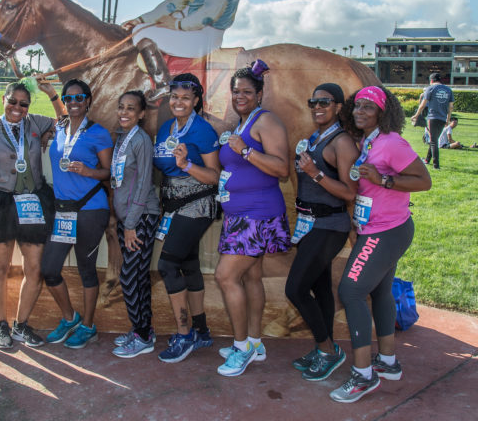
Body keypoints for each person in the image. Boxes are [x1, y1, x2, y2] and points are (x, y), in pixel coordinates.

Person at [330, 85, 431, 403]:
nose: (360, 111)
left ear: (382, 113)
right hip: (377, 229)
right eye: (357, 106)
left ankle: (362, 376)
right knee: (379, 291)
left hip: (387, 232)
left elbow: (424, 180)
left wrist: (384, 180)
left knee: (351, 291)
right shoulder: (365, 141)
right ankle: (387, 362)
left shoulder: (391, 143)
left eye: (368, 108)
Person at [0, 78, 65, 350]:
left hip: (32, 201)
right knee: (0, 268)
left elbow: (64, 121)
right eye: (12, 101)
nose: (17, 107)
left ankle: (21, 324)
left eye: (23, 104)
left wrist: (52, 95)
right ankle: (1, 325)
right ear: (3, 99)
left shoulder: (36, 123)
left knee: (34, 268)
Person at [215, 60, 291, 377]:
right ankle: (255, 342)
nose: (240, 96)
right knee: (251, 277)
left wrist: (245, 151)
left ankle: (242, 347)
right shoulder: (244, 122)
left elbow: (282, 170)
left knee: (225, 276)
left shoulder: (266, 121)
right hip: (239, 215)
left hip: (257, 215)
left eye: (247, 91)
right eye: (236, 91)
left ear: (260, 94)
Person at [285, 83, 359, 381]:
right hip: (309, 224)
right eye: (313, 101)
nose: (317, 106)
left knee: (296, 289)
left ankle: (327, 350)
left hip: (329, 225)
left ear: (339, 107)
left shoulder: (342, 143)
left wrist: (315, 173)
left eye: (325, 102)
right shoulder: (315, 138)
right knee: (320, 288)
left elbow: (350, 192)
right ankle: (325, 347)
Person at [152, 73, 220, 363]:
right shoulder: (167, 127)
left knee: (168, 266)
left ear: (195, 101)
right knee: (189, 265)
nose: (179, 102)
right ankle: (201, 330)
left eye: (185, 97)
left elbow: (215, 177)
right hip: (172, 202)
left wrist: (187, 164)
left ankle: (184, 335)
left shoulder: (203, 131)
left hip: (196, 203)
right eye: (174, 96)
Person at [41, 79, 113, 349]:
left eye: (79, 98)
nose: (73, 103)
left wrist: (89, 171)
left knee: (86, 269)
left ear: (88, 101)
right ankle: (70, 317)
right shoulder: (59, 128)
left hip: (91, 208)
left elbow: (109, 173)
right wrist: (50, 95)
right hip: (64, 211)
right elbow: (60, 114)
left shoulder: (99, 133)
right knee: (49, 269)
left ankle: (88, 326)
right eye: (68, 98)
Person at [110, 90, 162, 358]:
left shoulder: (141, 140)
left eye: (131, 109)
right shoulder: (121, 138)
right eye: (121, 107)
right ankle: (143, 330)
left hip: (140, 217)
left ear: (142, 114)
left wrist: (130, 224)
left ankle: (142, 336)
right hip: (127, 218)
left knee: (129, 279)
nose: (124, 112)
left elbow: (143, 184)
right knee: (138, 278)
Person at [411, 73, 454, 169]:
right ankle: (427, 160)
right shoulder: (448, 90)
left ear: (431, 81)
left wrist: (416, 115)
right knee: (433, 139)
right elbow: (450, 107)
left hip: (432, 117)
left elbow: (422, 105)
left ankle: (436, 165)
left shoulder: (430, 89)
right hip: (443, 118)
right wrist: (448, 119)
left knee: (433, 141)